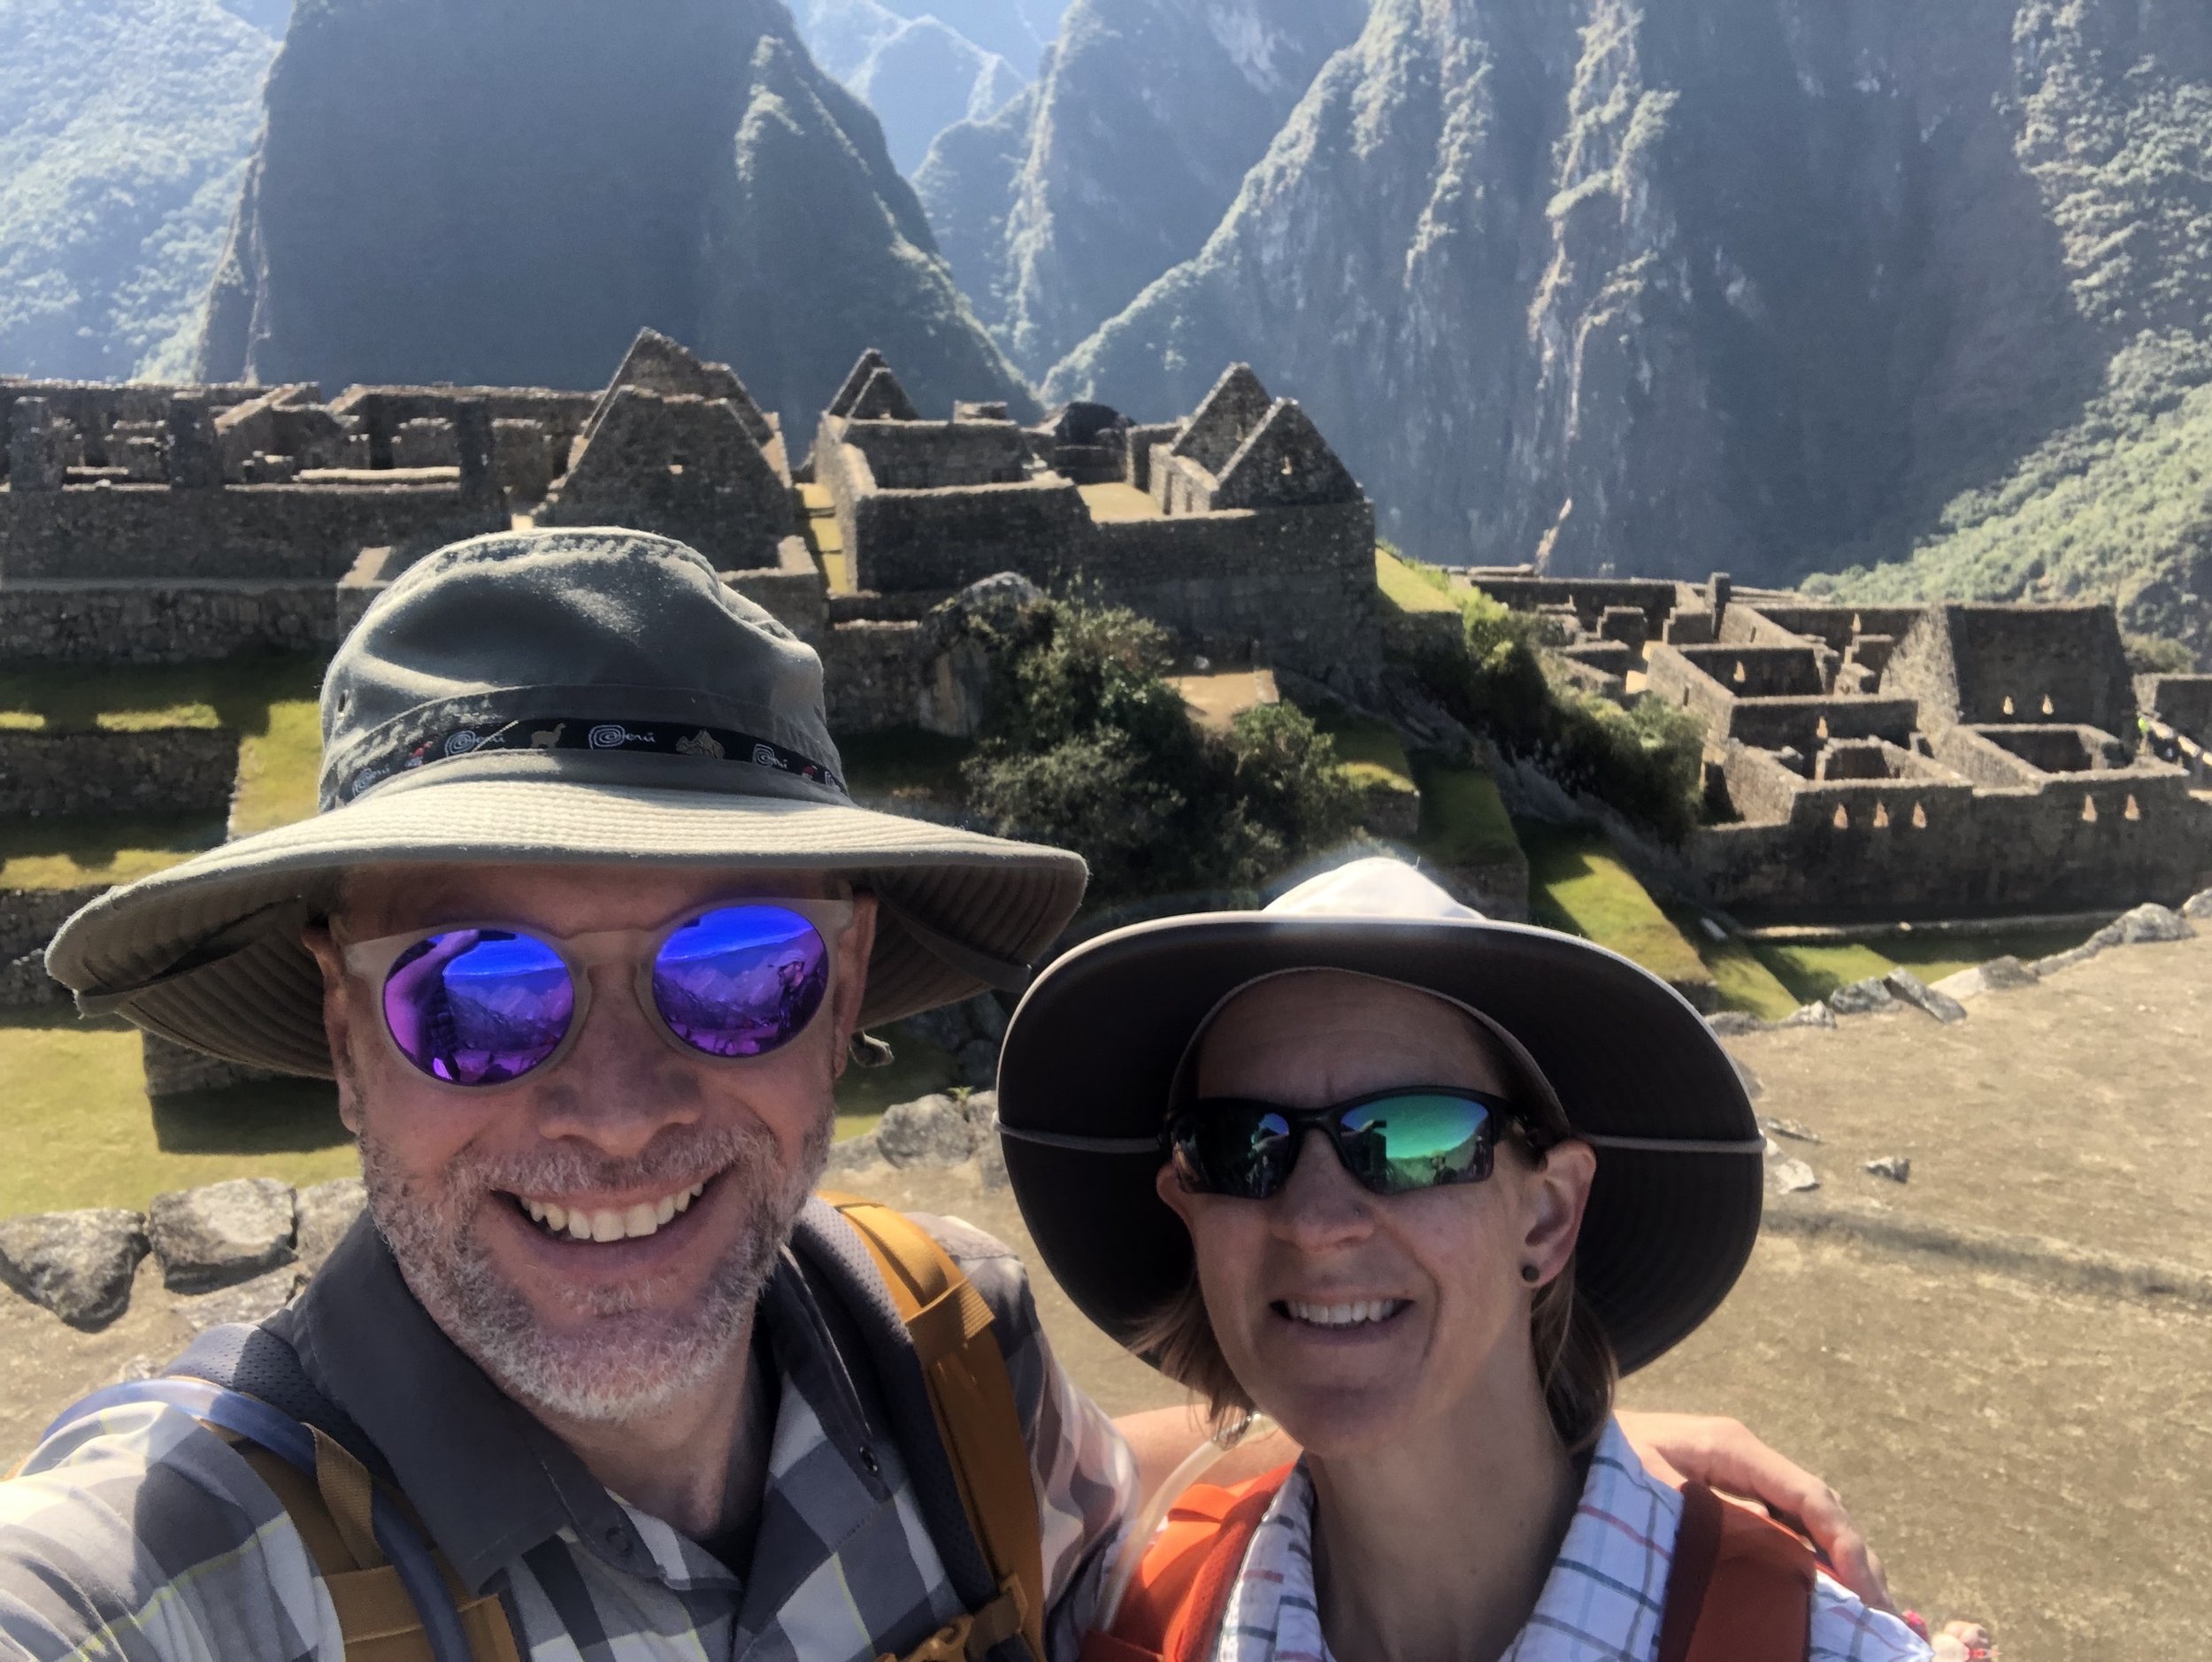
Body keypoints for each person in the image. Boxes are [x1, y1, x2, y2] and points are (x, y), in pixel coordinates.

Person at [2, 528, 1889, 1661]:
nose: (615, 1103)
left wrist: (1533, 1448)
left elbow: (1119, 1485)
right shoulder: (164, 1577)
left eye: (733, 980)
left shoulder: (942, 1361)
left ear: (843, 1016)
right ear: (345, 1036)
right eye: (474, 999)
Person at [994, 857, 1938, 1661]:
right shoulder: (1134, 1617)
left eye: (1411, 1137)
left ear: (1546, 1215)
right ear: (1188, 1209)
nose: (1315, 1221)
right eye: (1241, 1147)